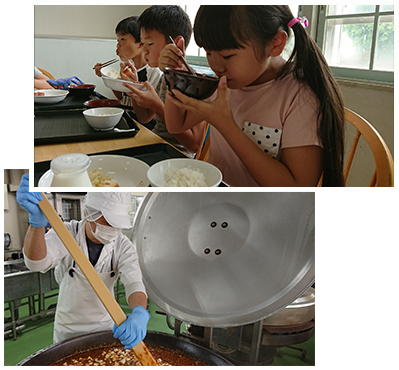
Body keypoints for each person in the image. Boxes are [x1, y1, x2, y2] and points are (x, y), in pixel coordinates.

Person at [164, 5, 345, 187]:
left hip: (265, 210)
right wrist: (176, 75)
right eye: (208, 52)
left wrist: (226, 125)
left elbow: (296, 188)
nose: (216, 66)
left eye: (227, 56)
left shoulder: (300, 96)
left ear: (276, 43)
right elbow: (176, 125)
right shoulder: (224, 83)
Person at [16, 174, 149, 348]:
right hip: (68, 331)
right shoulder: (67, 233)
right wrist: (36, 224)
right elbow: (37, 263)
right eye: (107, 222)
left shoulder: (123, 245)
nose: (112, 229)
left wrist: (140, 312)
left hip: (104, 327)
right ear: (89, 213)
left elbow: (134, 283)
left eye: (117, 224)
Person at [121, 5, 205, 156]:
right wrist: (133, 86)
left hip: (177, 154)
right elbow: (145, 118)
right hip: (155, 142)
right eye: (143, 44)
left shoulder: (193, 81)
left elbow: (194, 145)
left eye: (150, 44)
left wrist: (157, 105)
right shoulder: (164, 76)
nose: (145, 50)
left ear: (176, 44)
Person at [94, 16, 161, 107]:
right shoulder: (128, 68)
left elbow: (150, 113)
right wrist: (106, 77)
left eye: (122, 39)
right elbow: (123, 98)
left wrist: (133, 86)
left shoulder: (153, 71)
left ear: (140, 43)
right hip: (126, 116)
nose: (118, 45)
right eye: (118, 40)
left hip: (138, 121)